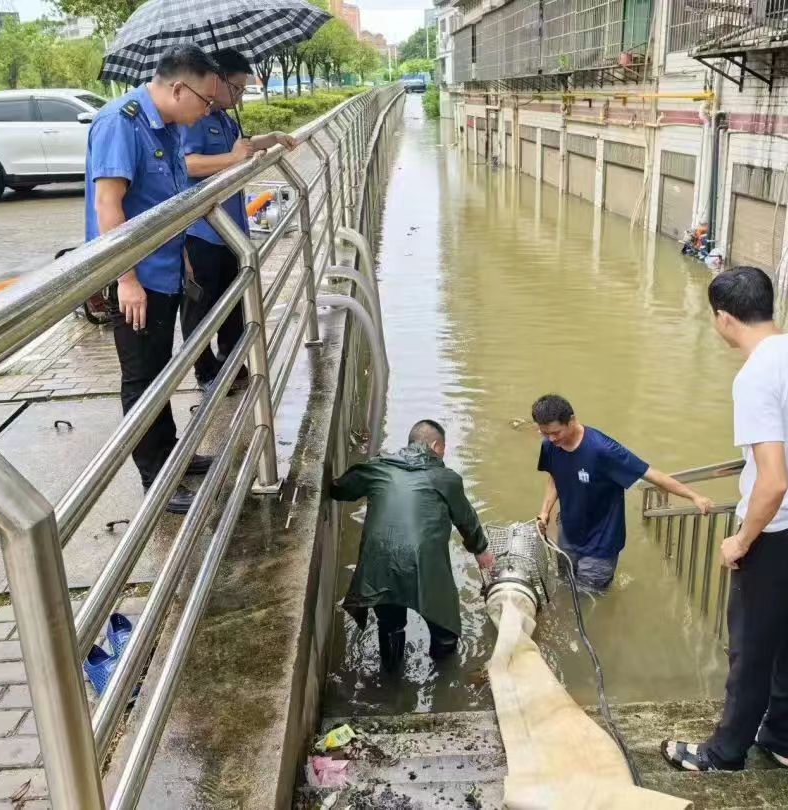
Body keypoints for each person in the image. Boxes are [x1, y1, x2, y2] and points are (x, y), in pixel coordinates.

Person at [662, 267, 788, 772]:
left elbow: (773, 481)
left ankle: (724, 754)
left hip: (778, 531)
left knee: (751, 650)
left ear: (722, 318)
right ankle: (783, 739)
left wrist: (741, 540)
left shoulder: (756, 375)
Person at [84, 44, 220, 514]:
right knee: (141, 379)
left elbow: (167, 198)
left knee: (161, 373)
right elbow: (109, 206)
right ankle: (156, 481)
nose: (205, 112)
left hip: (164, 271)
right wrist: (126, 279)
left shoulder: (168, 127)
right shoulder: (121, 122)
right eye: (204, 101)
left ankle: (173, 458)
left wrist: (181, 258)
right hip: (135, 281)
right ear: (178, 87)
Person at [331, 420, 495, 670]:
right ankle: (444, 683)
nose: (443, 455)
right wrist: (481, 550)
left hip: (379, 564)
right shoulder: (445, 478)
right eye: (443, 449)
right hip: (425, 565)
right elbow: (466, 519)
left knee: (390, 626)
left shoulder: (379, 467)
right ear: (435, 445)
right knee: (445, 628)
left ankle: (391, 683)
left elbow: (341, 489)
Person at [181, 49, 298, 396]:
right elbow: (188, 164)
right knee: (201, 308)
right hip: (203, 232)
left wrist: (273, 137)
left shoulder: (225, 119)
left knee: (233, 302)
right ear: (215, 82)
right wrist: (230, 159)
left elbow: (242, 147)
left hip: (232, 231)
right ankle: (204, 372)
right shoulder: (195, 119)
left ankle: (231, 361)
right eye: (236, 88)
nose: (239, 96)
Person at [533, 394, 713, 591]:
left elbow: (650, 474)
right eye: (545, 433)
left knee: (589, 598)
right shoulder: (550, 446)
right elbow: (554, 478)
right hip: (567, 534)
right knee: (565, 586)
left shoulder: (604, 451)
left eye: (556, 432)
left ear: (572, 420)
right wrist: (545, 512)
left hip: (600, 545)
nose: (551, 438)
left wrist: (694, 496)